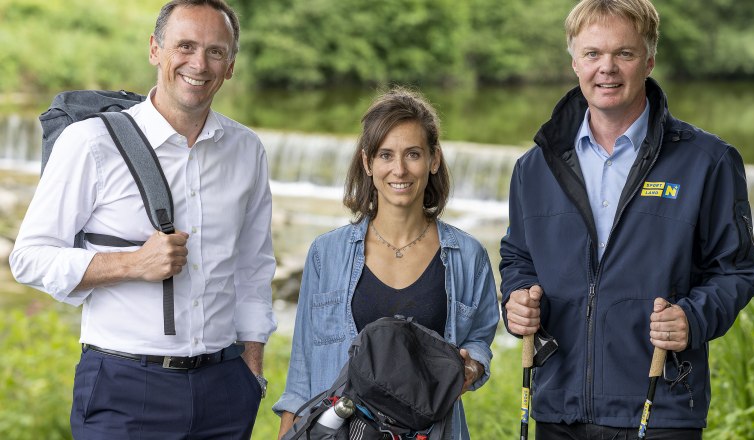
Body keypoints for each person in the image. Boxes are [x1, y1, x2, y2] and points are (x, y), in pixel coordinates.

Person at [10, 1, 276, 438]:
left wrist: (252, 374)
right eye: (184, 46)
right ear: (155, 49)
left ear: (230, 66)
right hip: (125, 388)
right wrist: (134, 263)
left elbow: (252, 269)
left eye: (215, 51)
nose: (199, 63)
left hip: (226, 390)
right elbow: (29, 259)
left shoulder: (246, 150)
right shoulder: (90, 142)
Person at [499, 0, 754, 439]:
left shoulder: (708, 162)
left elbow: (737, 270)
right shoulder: (534, 167)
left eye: (624, 53)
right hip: (557, 406)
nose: (607, 68)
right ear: (574, 62)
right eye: (592, 54)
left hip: (660, 406)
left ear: (649, 60)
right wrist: (517, 299)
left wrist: (693, 319)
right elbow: (517, 258)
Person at [272, 86, 499, 439]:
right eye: (385, 155)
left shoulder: (468, 257)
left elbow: (480, 340)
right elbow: (302, 370)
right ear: (367, 162)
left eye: (413, 154)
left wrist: (473, 365)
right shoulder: (326, 254)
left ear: (433, 159)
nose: (399, 170)